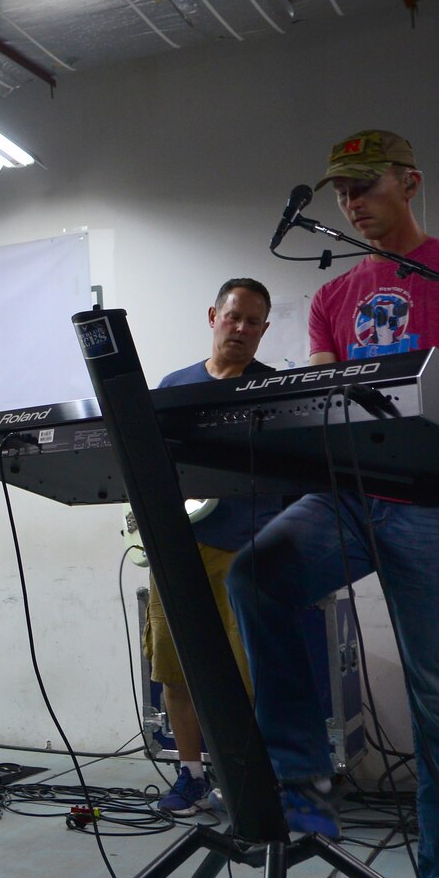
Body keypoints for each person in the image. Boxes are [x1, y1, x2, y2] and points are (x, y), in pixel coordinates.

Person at [226, 130, 439, 878]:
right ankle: (302, 773)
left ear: (410, 181)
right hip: (350, 495)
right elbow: (326, 404)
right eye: (339, 192)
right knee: (258, 577)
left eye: (364, 185)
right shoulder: (332, 295)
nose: (349, 203)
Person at [141, 279, 283, 816]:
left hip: (246, 551)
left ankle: (244, 776)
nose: (242, 329)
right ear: (212, 316)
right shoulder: (174, 385)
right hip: (176, 547)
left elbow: (291, 474)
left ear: (264, 330)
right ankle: (192, 774)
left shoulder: (273, 387)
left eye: (254, 322)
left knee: (245, 673)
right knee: (174, 669)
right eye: (234, 317)